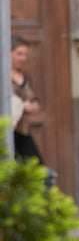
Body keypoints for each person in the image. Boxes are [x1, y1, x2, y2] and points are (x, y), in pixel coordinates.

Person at [11, 35, 44, 163]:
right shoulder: (3, 78)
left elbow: (34, 99)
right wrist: (19, 105)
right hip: (8, 132)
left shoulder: (25, 76)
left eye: (25, 54)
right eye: (19, 54)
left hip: (24, 132)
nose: (23, 58)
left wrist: (33, 105)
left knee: (39, 172)